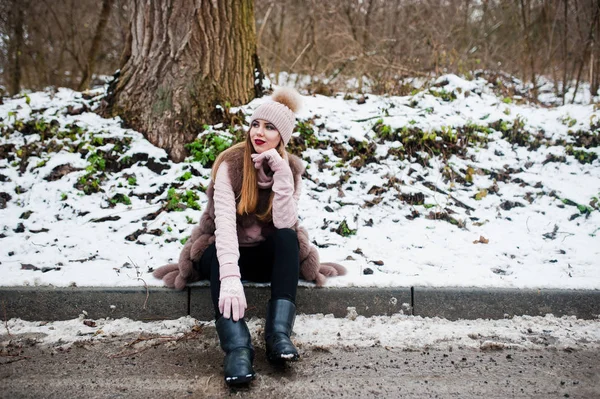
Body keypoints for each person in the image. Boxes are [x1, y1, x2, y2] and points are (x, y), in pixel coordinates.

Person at [153, 87, 346, 386]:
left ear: (282, 137)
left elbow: (285, 223)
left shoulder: (290, 168)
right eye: (256, 124)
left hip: (260, 255)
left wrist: (281, 177)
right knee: (219, 256)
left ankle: (278, 335)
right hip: (222, 251)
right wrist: (231, 277)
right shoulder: (230, 164)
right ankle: (237, 348)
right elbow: (225, 226)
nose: (259, 132)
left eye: (270, 128)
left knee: (287, 239)